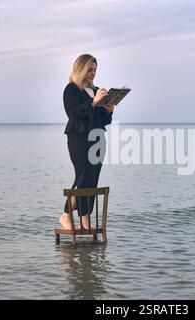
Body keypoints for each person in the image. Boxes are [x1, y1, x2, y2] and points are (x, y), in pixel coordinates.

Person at [59, 54, 115, 230]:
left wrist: (108, 110)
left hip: (98, 137)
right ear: (81, 69)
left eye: (95, 70)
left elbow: (102, 120)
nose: (93, 73)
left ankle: (83, 220)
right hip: (79, 139)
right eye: (90, 70)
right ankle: (68, 215)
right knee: (83, 178)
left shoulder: (95, 89)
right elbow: (74, 114)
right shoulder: (71, 90)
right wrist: (93, 101)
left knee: (92, 180)